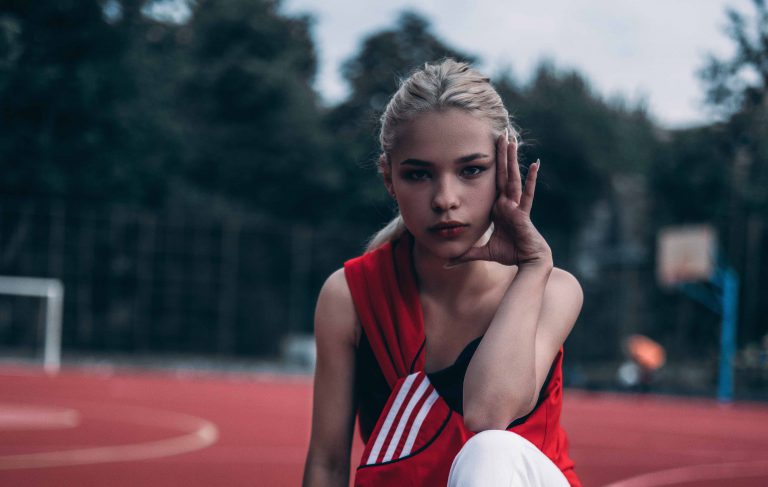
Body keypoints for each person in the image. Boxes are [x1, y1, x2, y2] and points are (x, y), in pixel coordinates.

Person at [302, 59, 583, 487]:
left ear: (505, 169)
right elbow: (326, 463)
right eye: (418, 174)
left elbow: (487, 414)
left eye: (471, 170)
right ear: (388, 179)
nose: (445, 199)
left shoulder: (552, 289)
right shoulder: (350, 297)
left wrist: (533, 267)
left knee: (490, 450)